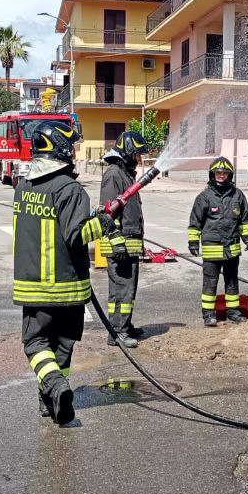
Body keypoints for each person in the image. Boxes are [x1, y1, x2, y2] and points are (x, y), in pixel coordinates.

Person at [13, 120, 111, 425]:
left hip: (34, 286)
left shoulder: (24, 186)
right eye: (73, 147)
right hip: (69, 287)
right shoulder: (70, 189)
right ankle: (56, 391)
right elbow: (76, 234)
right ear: (62, 148)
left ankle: (53, 391)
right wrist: (105, 222)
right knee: (63, 345)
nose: (75, 153)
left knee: (36, 344)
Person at [188, 157, 248, 327]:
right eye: (218, 173)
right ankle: (208, 315)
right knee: (210, 283)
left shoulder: (237, 195)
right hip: (212, 249)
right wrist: (193, 242)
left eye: (224, 173)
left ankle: (233, 312)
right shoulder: (204, 197)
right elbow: (195, 221)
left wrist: (247, 237)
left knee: (232, 281)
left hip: (232, 248)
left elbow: (244, 219)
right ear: (212, 174)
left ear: (229, 175)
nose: (221, 175)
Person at [99, 131, 150, 348]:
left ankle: (124, 325)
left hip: (129, 245)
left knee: (128, 290)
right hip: (119, 244)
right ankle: (116, 332)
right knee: (120, 290)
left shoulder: (125, 174)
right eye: (137, 154)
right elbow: (107, 212)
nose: (138, 159)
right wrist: (115, 239)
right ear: (128, 151)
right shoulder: (114, 175)